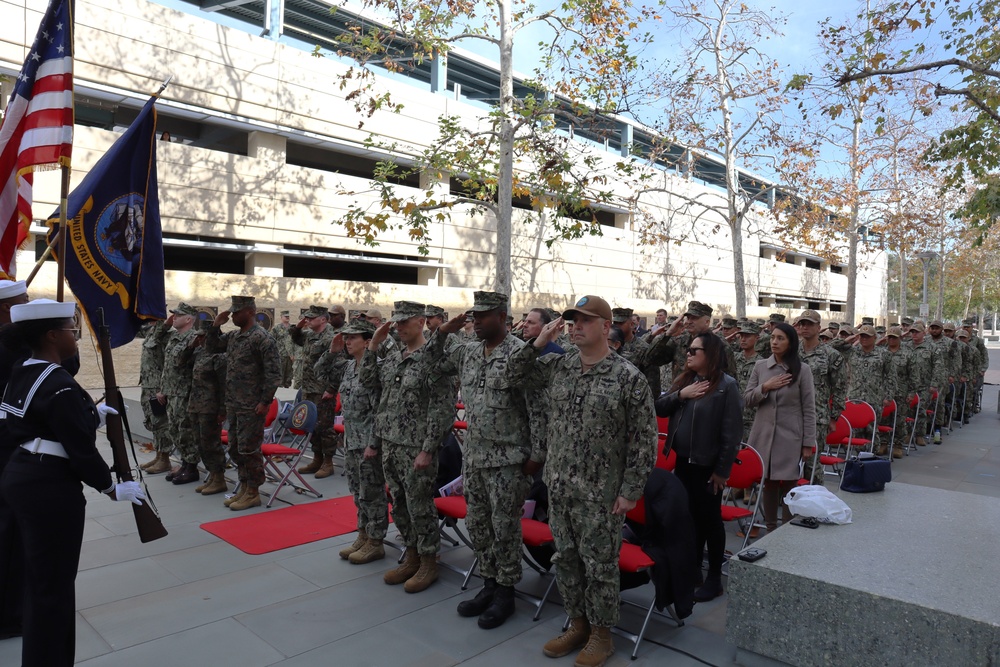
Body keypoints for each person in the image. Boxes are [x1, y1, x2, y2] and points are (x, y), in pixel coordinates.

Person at [506, 295, 656, 667]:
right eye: (572, 320)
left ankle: (602, 635)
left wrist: (629, 492)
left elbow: (644, 441)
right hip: (559, 486)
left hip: (601, 495)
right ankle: (577, 624)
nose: (576, 326)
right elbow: (511, 376)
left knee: (600, 565)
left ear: (606, 327)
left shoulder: (628, 378)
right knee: (567, 559)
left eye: (585, 321)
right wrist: (538, 341)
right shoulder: (560, 366)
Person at [0, 299, 145, 666]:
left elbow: (33, 420)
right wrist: (111, 487)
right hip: (49, 487)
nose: (75, 337)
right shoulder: (59, 382)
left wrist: (90, 416)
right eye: (71, 330)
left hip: (22, 472)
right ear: (51, 336)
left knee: (40, 579)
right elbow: (80, 449)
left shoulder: (25, 369)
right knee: (54, 587)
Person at [427, 292, 544, 629]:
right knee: (479, 526)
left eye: (484, 315)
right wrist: (444, 332)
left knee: (505, 528)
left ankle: (506, 592)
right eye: (473, 315)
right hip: (475, 459)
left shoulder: (521, 355)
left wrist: (536, 458)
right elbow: (432, 362)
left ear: (503, 317)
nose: (476, 321)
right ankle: (488, 584)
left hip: (509, 462)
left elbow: (537, 409)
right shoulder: (469, 352)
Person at [359, 301, 455, 593]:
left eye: (404, 322)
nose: (398, 327)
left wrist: (428, 449)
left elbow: (443, 408)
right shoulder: (394, 358)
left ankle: (429, 561)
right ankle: (411, 554)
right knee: (399, 503)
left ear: (421, 322)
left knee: (420, 506)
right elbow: (370, 384)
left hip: (416, 447)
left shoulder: (433, 359)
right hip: (391, 443)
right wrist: (374, 345)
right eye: (395, 322)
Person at [655, 331, 742, 602]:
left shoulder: (727, 386)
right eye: (688, 350)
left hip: (707, 466)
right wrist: (682, 394)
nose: (688, 354)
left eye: (695, 351)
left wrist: (722, 471)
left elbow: (731, 433)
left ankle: (714, 577)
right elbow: (660, 407)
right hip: (683, 461)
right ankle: (692, 570)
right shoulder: (686, 380)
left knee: (711, 521)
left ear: (711, 355)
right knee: (688, 518)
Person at [208, 296, 282, 511]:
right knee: (235, 447)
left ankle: (253, 492)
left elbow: (273, 373)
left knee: (249, 450)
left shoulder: (262, 338)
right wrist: (215, 326)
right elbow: (212, 347)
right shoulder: (233, 337)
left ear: (249, 311)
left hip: (252, 405)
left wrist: (265, 401)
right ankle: (244, 486)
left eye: (236, 312)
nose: (232, 315)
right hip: (234, 403)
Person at [742, 322, 816, 533]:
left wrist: (808, 442)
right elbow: (747, 399)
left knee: (789, 482)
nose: (774, 342)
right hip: (763, 434)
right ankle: (770, 527)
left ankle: (787, 528)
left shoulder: (802, 370)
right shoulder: (760, 366)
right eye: (773, 337)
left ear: (791, 342)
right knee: (769, 482)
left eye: (780, 338)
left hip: (790, 435)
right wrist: (765, 387)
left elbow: (809, 408)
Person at [331, 319, 389, 565]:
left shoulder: (374, 370)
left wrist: (374, 443)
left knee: (372, 492)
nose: (347, 341)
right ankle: (363, 534)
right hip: (351, 439)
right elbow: (322, 372)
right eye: (347, 337)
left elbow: (380, 411)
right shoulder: (347, 368)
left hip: (367, 442)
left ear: (368, 342)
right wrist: (332, 351)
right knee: (357, 492)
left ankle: (376, 542)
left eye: (353, 338)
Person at [793, 309, 847, 485]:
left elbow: (839, 388)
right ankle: (785, 499)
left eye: (809, 324)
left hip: (818, 416)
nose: (805, 327)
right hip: (791, 413)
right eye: (802, 324)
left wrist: (834, 418)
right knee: (788, 461)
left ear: (819, 327)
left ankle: (815, 500)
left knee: (812, 464)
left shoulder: (831, 355)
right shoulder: (791, 352)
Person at [291, 305, 339, 478]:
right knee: (310, 426)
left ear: (323, 319)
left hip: (323, 390)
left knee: (325, 427)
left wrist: (332, 388)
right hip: (309, 388)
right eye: (307, 318)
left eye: (312, 318)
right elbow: (296, 339)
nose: (308, 320)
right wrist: (298, 326)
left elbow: (337, 364)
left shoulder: (331, 338)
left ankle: (328, 462)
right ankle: (317, 458)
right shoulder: (309, 336)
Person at [181, 320, 229, 494]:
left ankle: (219, 478)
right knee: (200, 442)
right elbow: (180, 363)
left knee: (211, 443)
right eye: (198, 335)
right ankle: (212, 476)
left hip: (211, 407)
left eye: (202, 336)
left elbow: (224, 386)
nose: (199, 339)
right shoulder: (200, 352)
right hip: (195, 404)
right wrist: (190, 347)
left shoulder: (220, 356)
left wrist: (222, 410)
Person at [159, 303, 200, 484]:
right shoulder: (175, 337)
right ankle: (184, 464)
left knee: (186, 431)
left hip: (185, 393)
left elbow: (184, 365)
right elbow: (167, 367)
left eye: (178, 315)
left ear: (189, 319)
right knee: (175, 430)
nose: (174, 318)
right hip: (172, 392)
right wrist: (163, 389)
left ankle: (191, 468)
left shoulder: (194, 338)